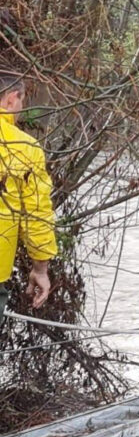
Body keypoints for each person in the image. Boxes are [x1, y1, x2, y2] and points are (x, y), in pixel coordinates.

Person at [0, 72, 56, 314]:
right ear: (12, 98)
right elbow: (36, 215)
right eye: (21, 101)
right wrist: (40, 269)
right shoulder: (23, 148)